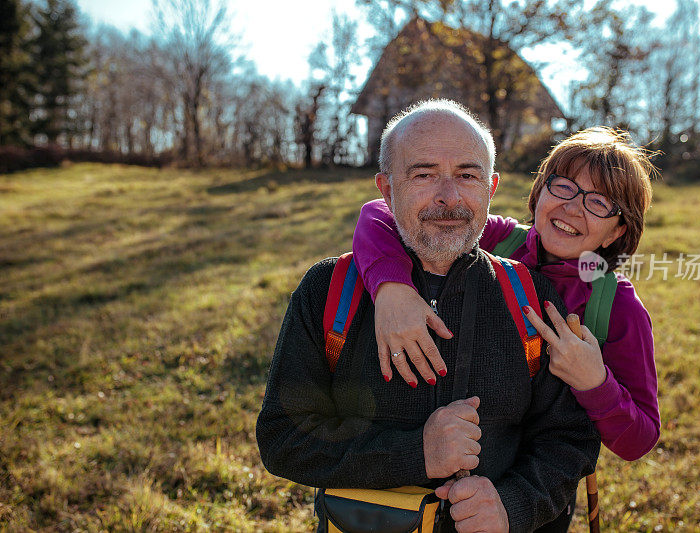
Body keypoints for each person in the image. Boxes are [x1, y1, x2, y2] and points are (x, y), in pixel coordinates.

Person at [256, 99, 599, 532]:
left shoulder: (531, 297)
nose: (449, 197)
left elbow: (570, 440)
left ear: (491, 189)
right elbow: (283, 439)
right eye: (423, 174)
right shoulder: (329, 291)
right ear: (386, 189)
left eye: (467, 175)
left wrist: (513, 505)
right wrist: (416, 454)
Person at [352, 127, 660, 465]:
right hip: (457, 445)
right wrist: (391, 288)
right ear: (540, 192)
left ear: (616, 231)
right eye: (564, 187)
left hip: (542, 479)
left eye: (599, 202)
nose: (573, 208)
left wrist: (595, 382)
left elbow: (640, 440)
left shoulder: (617, 307)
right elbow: (380, 212)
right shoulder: (499, 240)